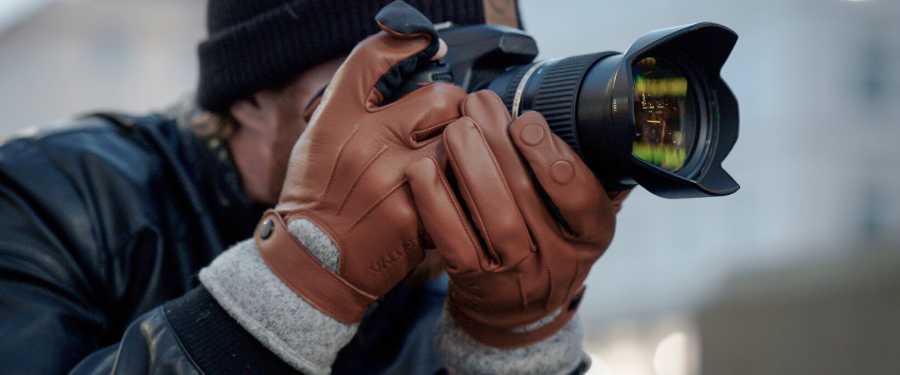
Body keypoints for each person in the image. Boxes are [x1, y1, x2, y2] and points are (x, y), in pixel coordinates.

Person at [0, 1, 629, 374]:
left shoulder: (444, 274)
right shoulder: (49, 197)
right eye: (412, 79)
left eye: (486, 83)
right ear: (249, 95)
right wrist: (293, 286)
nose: (454, 124)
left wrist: (515, 348)